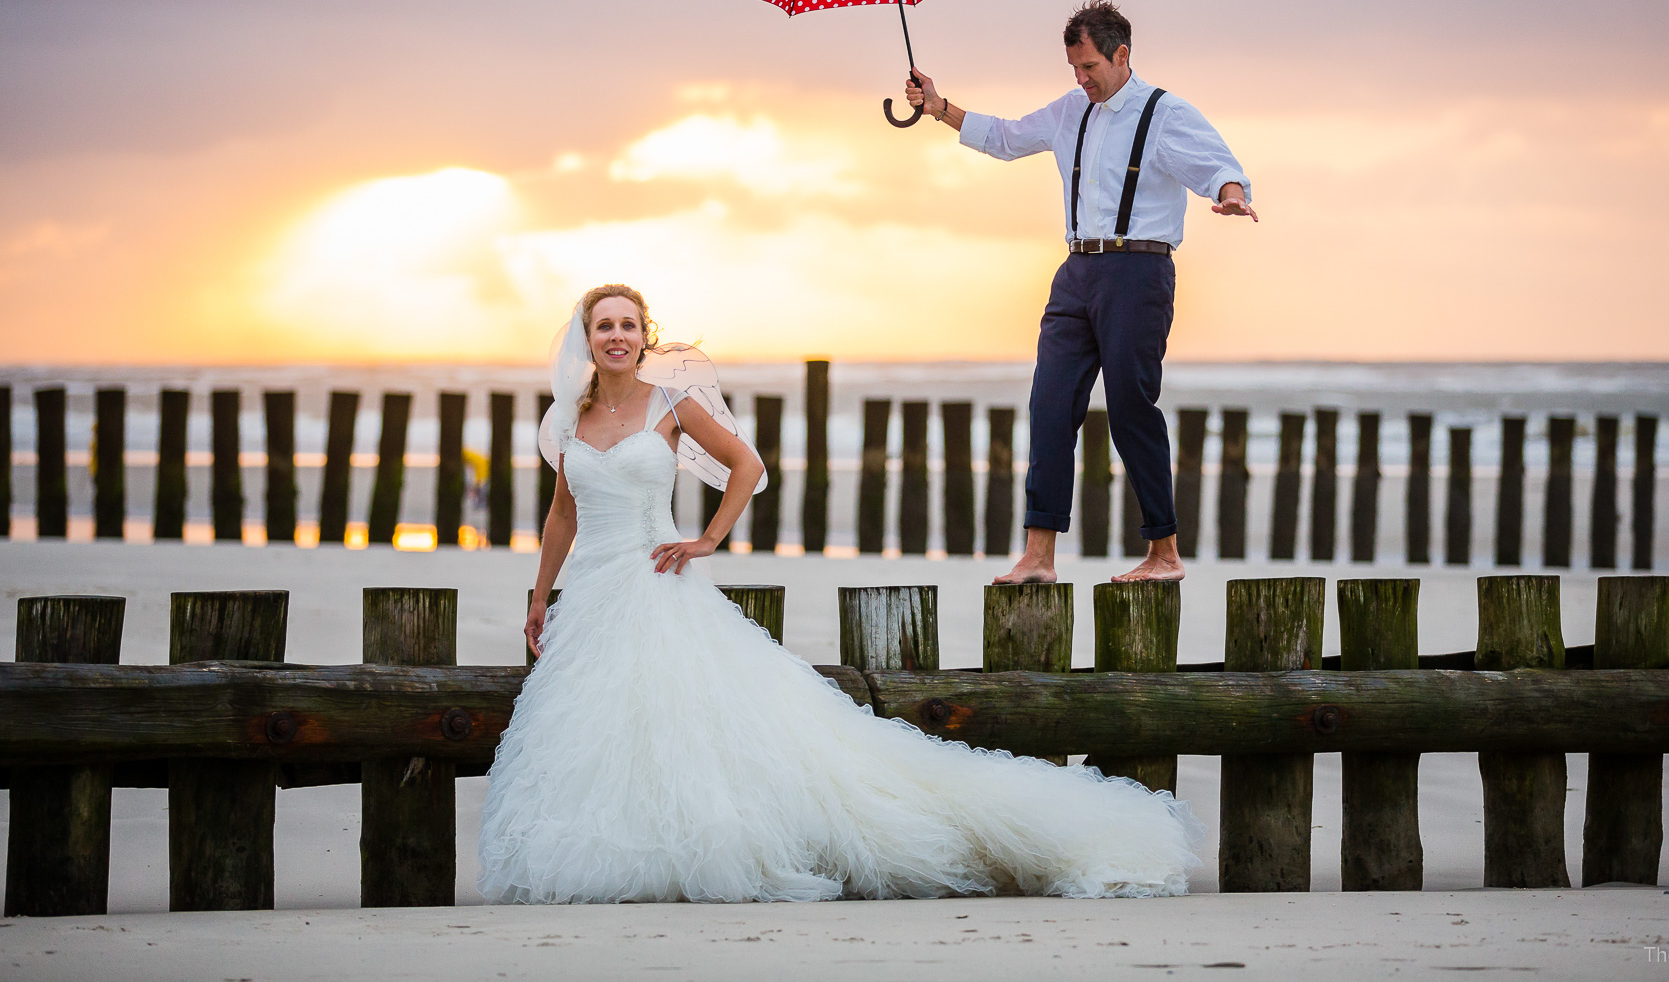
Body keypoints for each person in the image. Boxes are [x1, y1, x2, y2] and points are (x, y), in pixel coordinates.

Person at [477, 283, 1204, 904]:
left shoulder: (671, 404)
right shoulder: (569, 420)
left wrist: (706, 541)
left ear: (644, 338)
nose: (616, 335)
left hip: (658, 582)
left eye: (628, 325)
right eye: (603, 324)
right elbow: (563, 512)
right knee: (603, 730)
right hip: (593, 598)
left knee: (691, 727)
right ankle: (621, 846)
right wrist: (542, 596)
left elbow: (747, 466)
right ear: (587, 338)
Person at [905, 0, 1256, 587]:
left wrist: (1231, 193)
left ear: (1122, 55)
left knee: (1128, 408)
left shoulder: (1163, 113)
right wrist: (939, 107)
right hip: (1075, 273)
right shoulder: (1072, 109)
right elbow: (1007, 136)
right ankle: (1038, 556)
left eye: (1090, 66)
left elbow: (1217, 164)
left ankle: (1164, 553)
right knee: (1049, 406)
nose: (1081, 78)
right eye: (1074, 67)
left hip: (1138, 274)